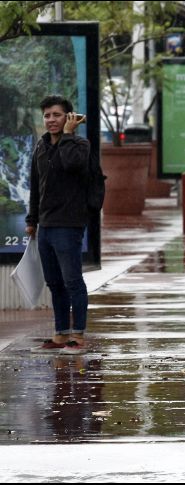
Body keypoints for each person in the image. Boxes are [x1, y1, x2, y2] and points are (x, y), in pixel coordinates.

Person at [27, 95, 91, 355]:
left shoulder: (79, 145)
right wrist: (32, 220)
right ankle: (61, 334)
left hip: (69, 224)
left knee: (73, 280)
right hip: (46, 225)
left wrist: (66, 136)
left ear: (69, 117)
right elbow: (35, 187)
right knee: (54, 282)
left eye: (56, 115)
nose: (51, 120)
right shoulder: (41, 147)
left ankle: (78, 336)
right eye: (47, 116)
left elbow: (71, 164)